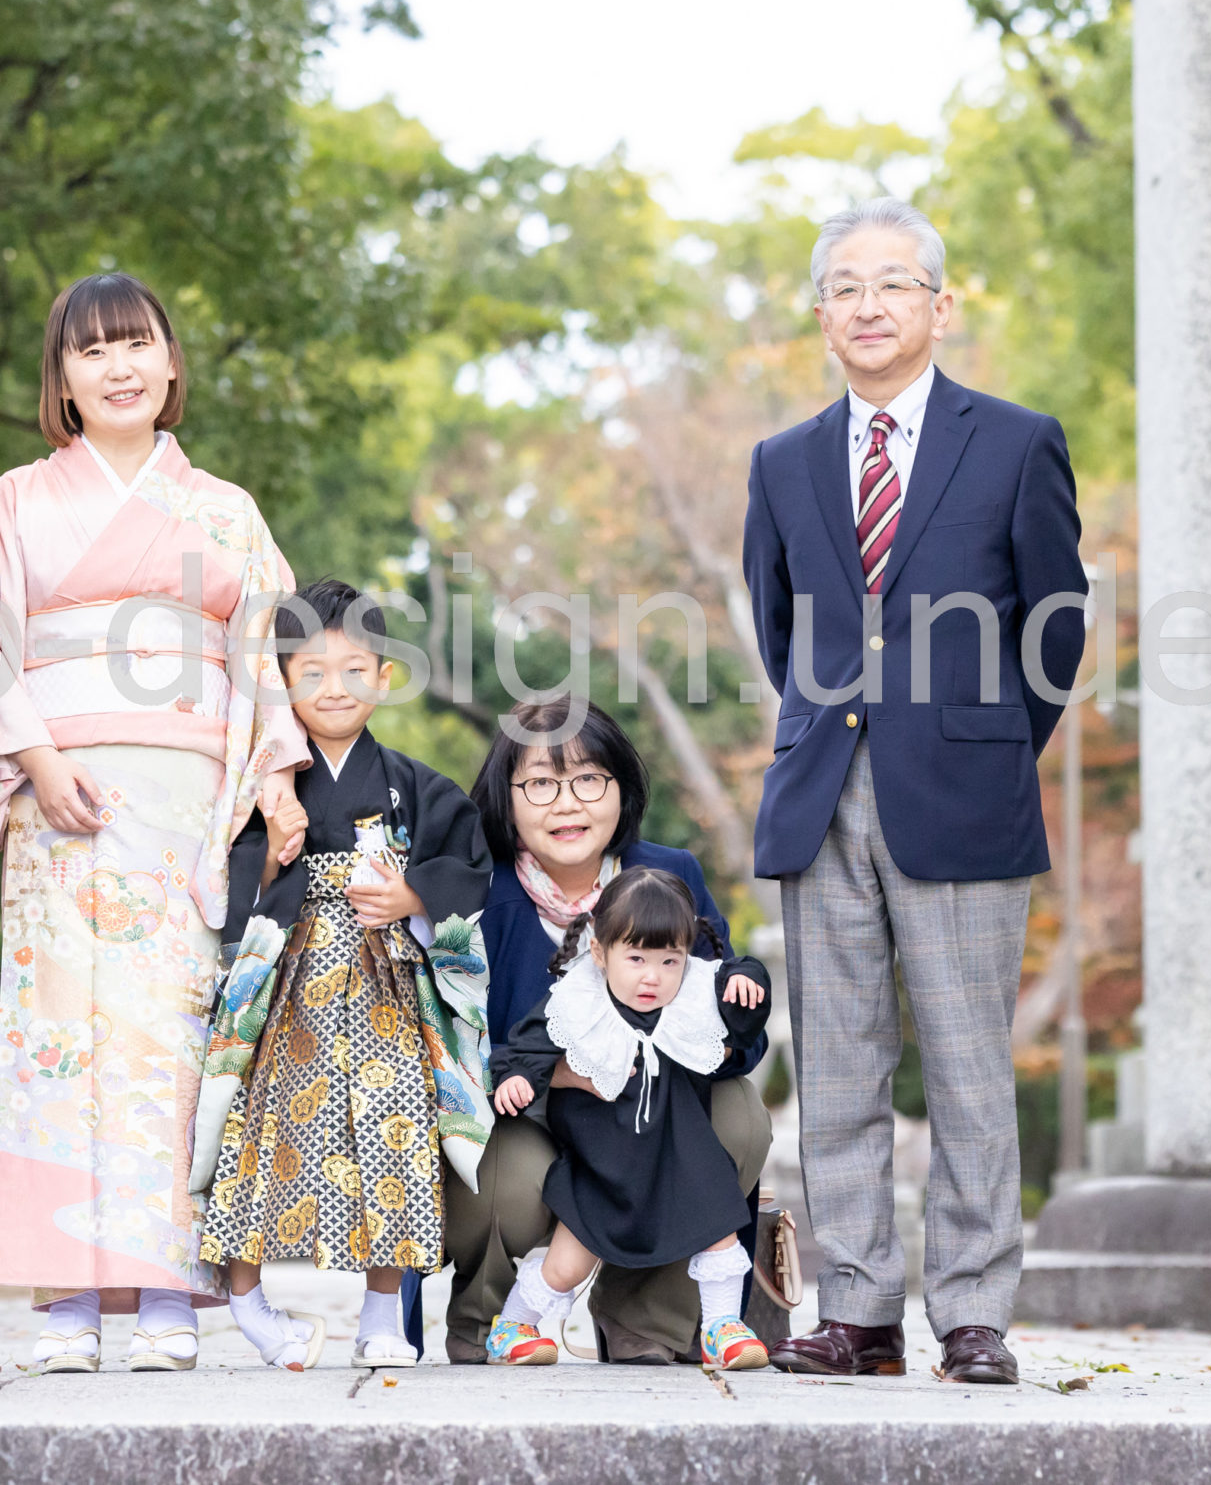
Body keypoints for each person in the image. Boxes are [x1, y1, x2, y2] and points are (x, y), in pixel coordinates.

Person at [742, 197, 1085, 1386]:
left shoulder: (1017, 442)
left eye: (893, 283)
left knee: (968, 1067)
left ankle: (974, 1314)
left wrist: (982, 743)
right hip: (821, 791)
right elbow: (780, 628)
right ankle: (856, 1312)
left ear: (941, 307)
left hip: (965, 792)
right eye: (845, 287)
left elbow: (1054, 628)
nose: (868, 305)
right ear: (821, 316)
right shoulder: (782, 462)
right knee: (836, 1067)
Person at [0, 272, 307, 1373]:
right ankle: (66, 1295)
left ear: (169, 363)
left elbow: (265, 654)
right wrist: (35, 755)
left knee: (170, 1037)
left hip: (184, 797)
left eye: (136, 343)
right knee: (56, 1036)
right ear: (60, 378)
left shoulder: (225, 509)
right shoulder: (15, 499)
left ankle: (165, 1288)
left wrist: (276, 780)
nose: (117, 367)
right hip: (57, 788)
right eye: (91, 350)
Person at [194, 579, 495, 1370]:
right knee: (263, 1130)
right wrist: (272, 855)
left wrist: (413, 894)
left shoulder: (412, 782)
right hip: (289, 980)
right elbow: (231, 874)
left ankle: (381, 1313)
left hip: (383, 980)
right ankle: (248, 1301)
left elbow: (468, 859)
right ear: (282, 681)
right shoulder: (271, 787)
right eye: (313, 671)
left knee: (395, 1127)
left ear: (385, 677)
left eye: (355, 669)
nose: (336, 688)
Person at [438, 697, 773, 1365]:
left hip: (651, 1105)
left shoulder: (670, 877)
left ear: (622, 788)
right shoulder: (476, 889)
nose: (568, 803)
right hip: (527, 1109)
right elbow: (449, 1045)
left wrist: (714, 1030)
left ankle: (646, 1318)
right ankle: (492, 1321)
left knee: (736, 1118)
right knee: (507, 1176)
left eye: (589, 779)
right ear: (507, 797)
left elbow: (740, 1032)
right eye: (541, 783)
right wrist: (557, 1075)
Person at [482, 869, 773, 1370]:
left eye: (669, 961)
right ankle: (512, 1327)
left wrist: (747, 980)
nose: (652, 977)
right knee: (567, 1264)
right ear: (600, 952)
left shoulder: (694, 995)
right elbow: (526, 1047)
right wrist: (518, 1078)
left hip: (681, 1156)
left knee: (718, 1225)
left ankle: (722, 1327)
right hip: (604, 1166)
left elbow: (739, 1000)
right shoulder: (579, 1001)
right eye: (636, 959)